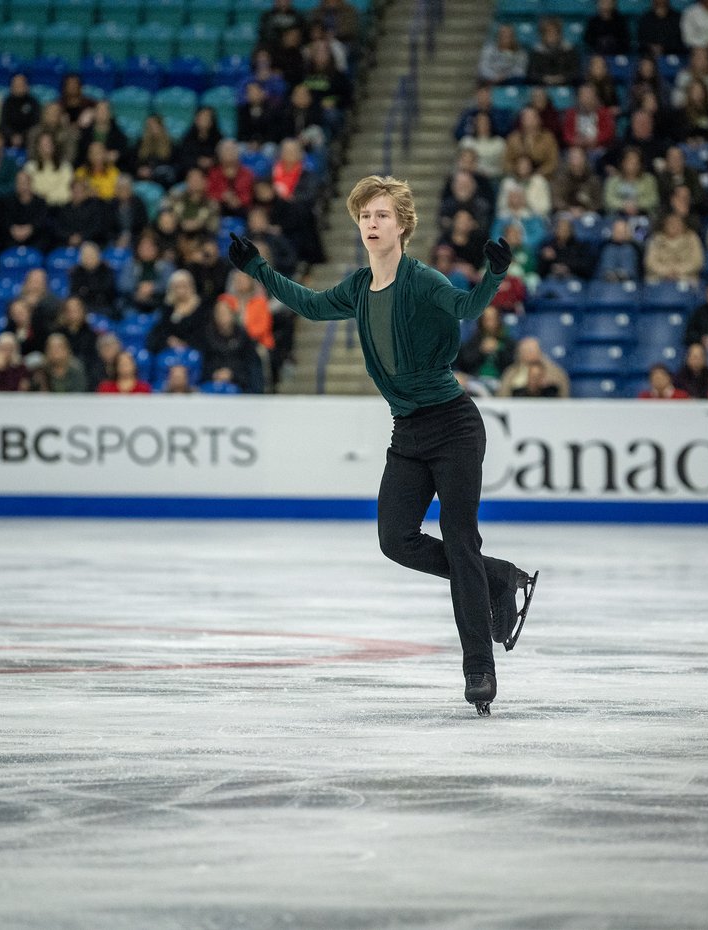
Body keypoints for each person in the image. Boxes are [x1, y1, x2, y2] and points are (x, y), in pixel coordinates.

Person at [226, 174, 536, 715]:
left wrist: (496, 274)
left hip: (455, 427)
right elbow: (312, 305)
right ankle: (499, 576)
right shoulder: (356, 287)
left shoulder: (422, 280)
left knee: (459, 539)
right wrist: (259, 270)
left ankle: (479, 669)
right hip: (409, 433)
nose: (372, 223)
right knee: (395, 538)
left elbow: (466, 308)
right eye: (365, 216)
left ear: (403, 225)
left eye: (382, 215)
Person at [497, 335, 571, 397]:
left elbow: (563, 395)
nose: (529, 354)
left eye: (531, 351)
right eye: (525, 351)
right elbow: (502, 396)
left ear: (539, 352)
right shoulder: (511, 373)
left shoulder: (555, 372)